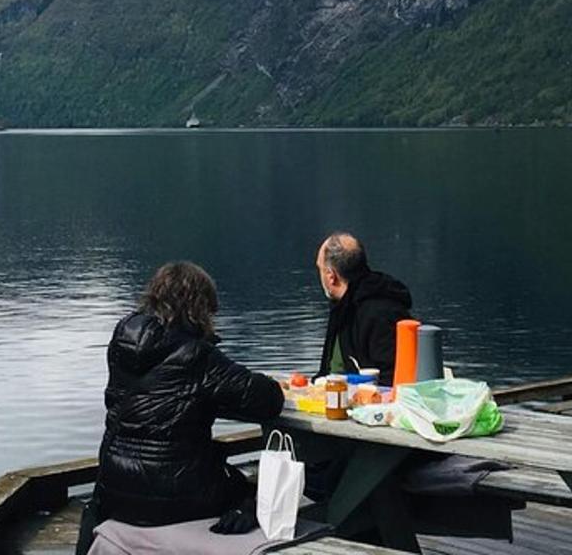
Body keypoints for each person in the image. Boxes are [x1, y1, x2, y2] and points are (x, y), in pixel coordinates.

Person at [75, 262, 284, 554]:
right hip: (174, 494)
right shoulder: (196, 354)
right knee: (248, 490)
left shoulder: (122, 338)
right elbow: (267, 399)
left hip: (115, 487)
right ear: (199, 308)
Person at [314, 232, 413, 385]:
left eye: (320, 268)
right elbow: (328, 370)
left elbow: (393, 378)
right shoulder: (342, 307)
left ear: (331, 275)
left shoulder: (381, 313)